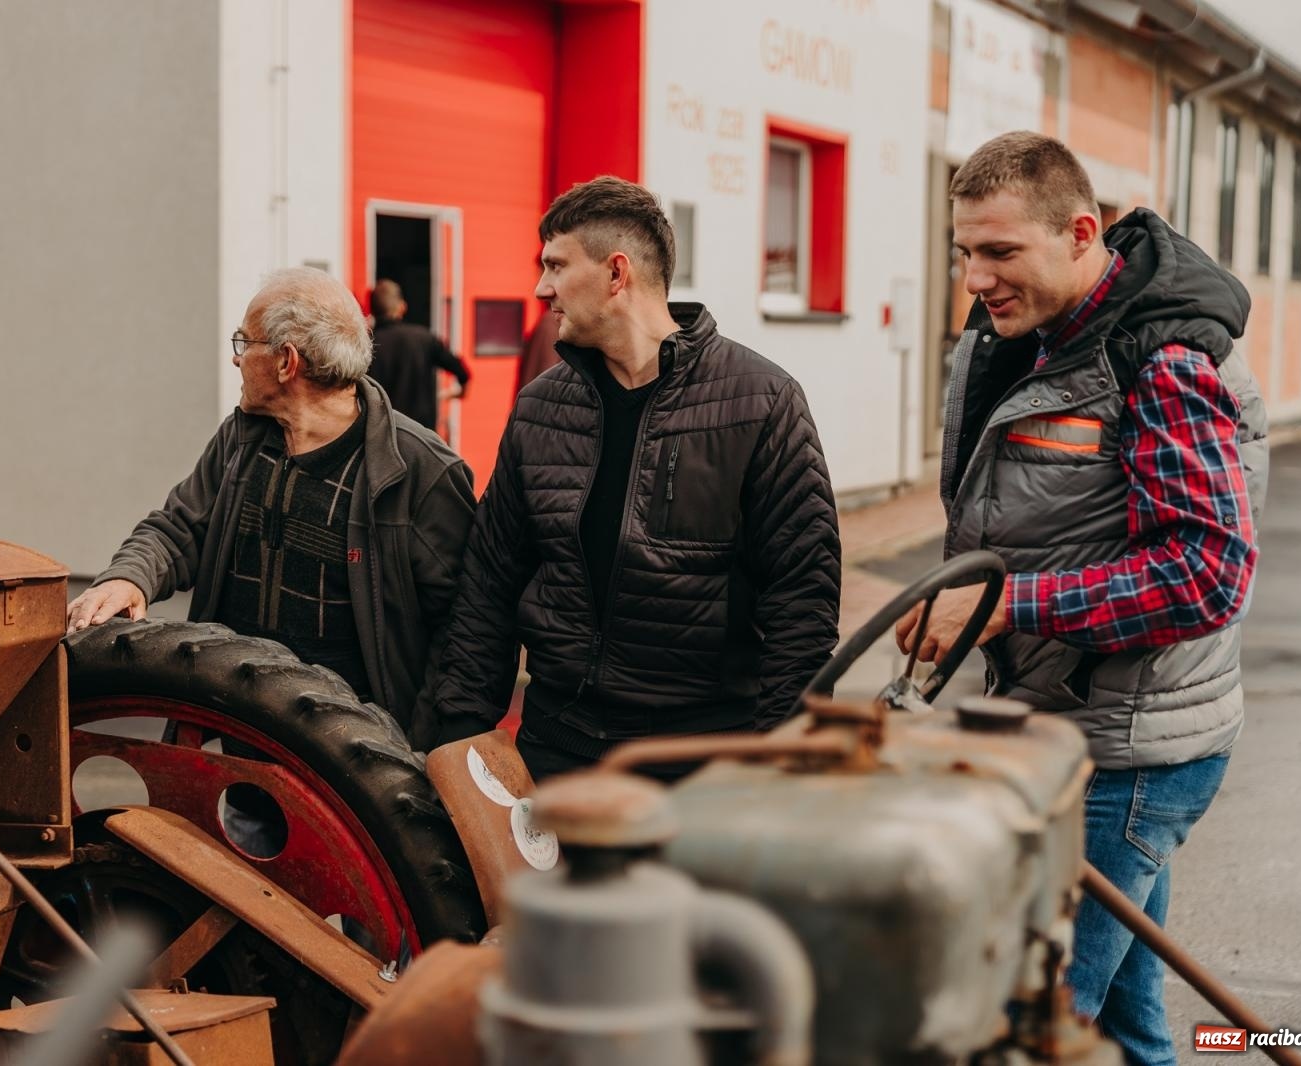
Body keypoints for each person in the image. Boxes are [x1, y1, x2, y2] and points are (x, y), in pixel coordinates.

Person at [896, 132, 1267, 1063]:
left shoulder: (1163, 362)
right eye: (964, 252)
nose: (975, 278)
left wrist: (1003, 604)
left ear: (1078, 232)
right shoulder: (1017, 339)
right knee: (1127, 1023)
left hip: (1129, 755)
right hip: (1059, 730)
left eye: (1000, 252)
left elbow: (1206, 573)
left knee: (1029, 1025)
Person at [429, 176, 841, 778]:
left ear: (616, 274)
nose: (542, 288)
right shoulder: (541, 405)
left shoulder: (761, 401)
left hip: (701, 760)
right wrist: (460, 735)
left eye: (556, 265)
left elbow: (802, 600)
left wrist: (781, 763)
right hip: (556, 748)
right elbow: (490, 580)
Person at [66, 267, 476, 747]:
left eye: (244, 343)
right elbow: (179, 526)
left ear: (287, 361)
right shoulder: (241, 437)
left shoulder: (422, 470)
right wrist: (128, 577)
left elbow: (465, 633)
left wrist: (420, 749)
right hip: (240, 744)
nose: (236, 360)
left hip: (355, 774)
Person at [368, 278, 471, 433]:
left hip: (382, 435)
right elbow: (462, 372)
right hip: (422, 436)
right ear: (402, 307)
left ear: (372, 310)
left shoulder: (366, 344)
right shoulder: (424, 338)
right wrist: (457, 392)